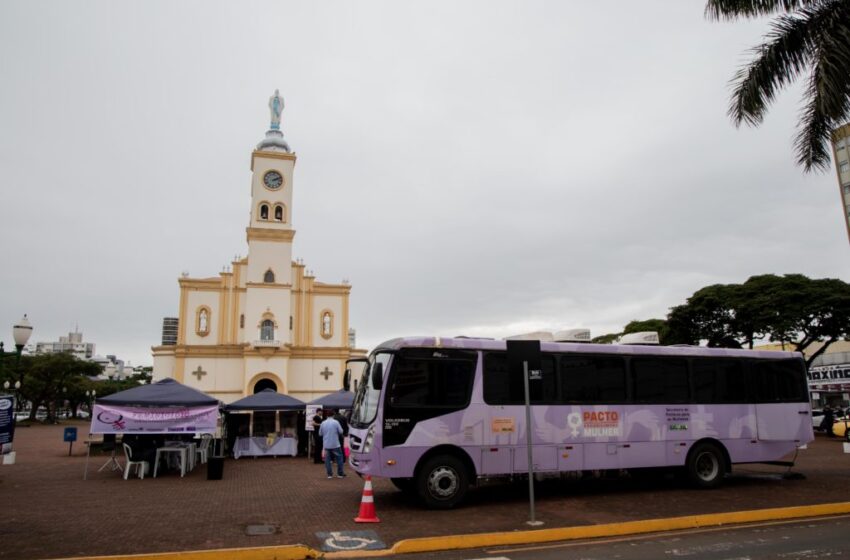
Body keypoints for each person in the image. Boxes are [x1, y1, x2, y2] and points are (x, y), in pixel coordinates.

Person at [318, 414, 345, 479]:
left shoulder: (323, 423)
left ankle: (329, 474)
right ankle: (340, 474)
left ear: (327, 416)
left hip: (326, 444)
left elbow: (320, 433)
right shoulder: (336, 422)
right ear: (333, 416)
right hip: (335, 444)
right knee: (339, 459)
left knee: (327, 460)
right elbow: (341, 431)